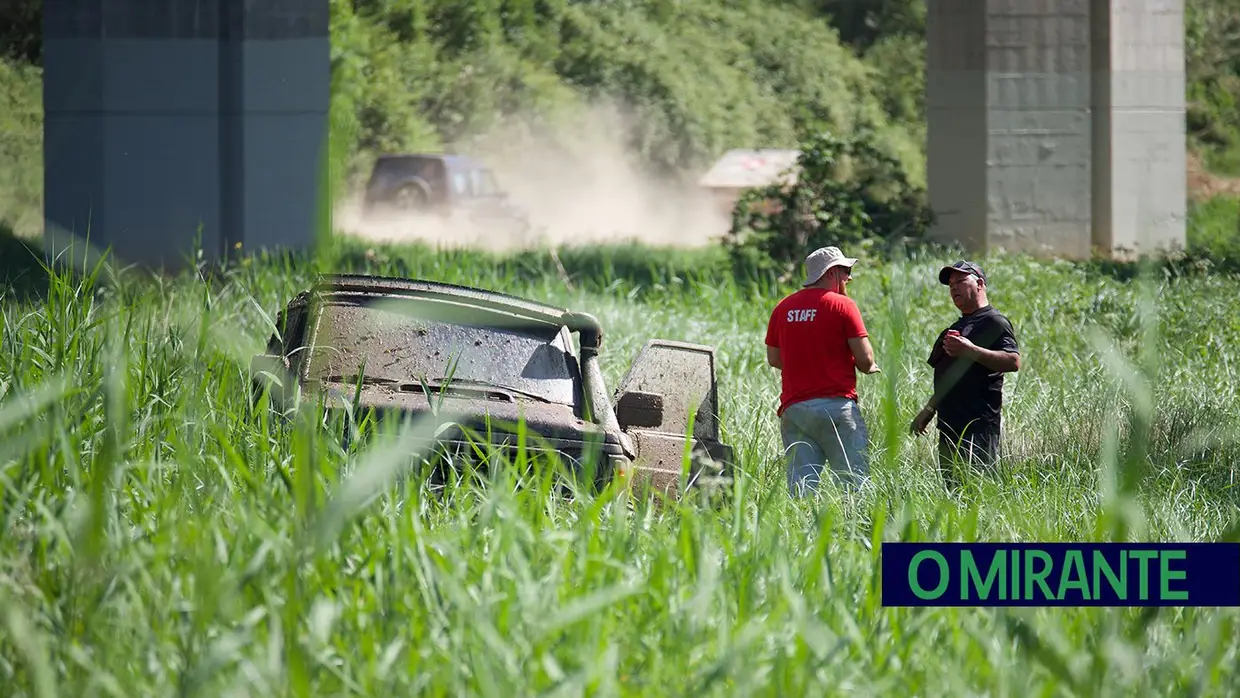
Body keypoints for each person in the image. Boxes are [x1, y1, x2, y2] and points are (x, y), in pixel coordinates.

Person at [765, 245, 881, 496]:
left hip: (795, 412)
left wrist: (805, 361)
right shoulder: (843, 305)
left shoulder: (783, 307)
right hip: (836, 409)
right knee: (855, 488)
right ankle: (856, 534)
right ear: (831, 273)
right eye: (845, 270)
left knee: (802, 492)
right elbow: (865, 359)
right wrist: (870, 366)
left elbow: (774, 359)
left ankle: (802, 535)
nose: (849, 277)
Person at [909, 260, 1020, 490]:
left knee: (978, 493)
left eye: (960, 281)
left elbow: (1013, 361)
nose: (954, 288)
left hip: (977, 426)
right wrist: (928, 411)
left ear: (979, 283)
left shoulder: (994, 321)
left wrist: (970, 350)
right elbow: (947, 378)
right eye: (950, 285)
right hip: (949, 426)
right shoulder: (955, 327)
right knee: (954, 494)